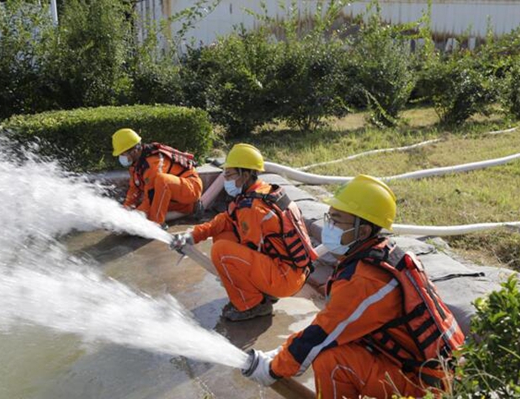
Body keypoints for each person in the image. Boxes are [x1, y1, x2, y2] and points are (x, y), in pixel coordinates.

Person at [242, 175, 465, 398]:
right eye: (329, 217)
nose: (329, 226)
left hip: (431, 389)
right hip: (432, 373)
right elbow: (335, 323)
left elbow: (321, 335)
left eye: (337, 221)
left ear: (363, 231)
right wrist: (283, 352)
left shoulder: (367, 280)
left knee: (331, 361)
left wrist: (272, 369)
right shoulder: (382, 256)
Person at [171, 143, 317, 321]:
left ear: (245, 174)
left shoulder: (254, 209)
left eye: (230, 175)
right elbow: (225, 219)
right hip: (291, 271)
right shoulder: (260, 193)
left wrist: (232, 276)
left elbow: (253, 248)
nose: (226, 181)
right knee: (223, 234)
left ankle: (251, 304)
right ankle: (260, 294)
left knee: (222, 251)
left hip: (284, 278)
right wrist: (194, 235)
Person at [112, 128, 203, 227]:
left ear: (133, 151)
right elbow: (134, 189)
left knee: (162, 181)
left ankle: (157, 223)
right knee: (145, 204)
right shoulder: (136, 164)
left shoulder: (152, 163)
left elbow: (151, 197)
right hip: (176, 193)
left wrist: (134, 217)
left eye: (122, 153)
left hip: (191, 187)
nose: (121, 157)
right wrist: (125, 211)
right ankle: (187, 208)